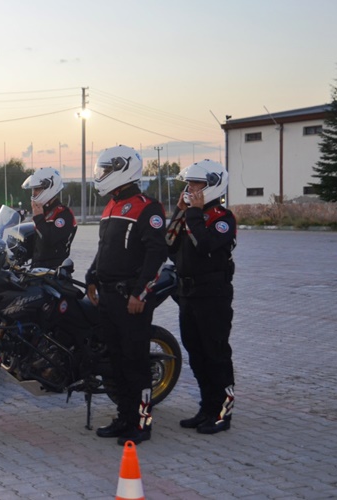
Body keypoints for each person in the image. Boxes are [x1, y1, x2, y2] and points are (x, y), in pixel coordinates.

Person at [85, 145, 168, 445]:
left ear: (124, 169)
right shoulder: (110, 205)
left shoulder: (148, 207)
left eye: (107, 169)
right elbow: (104, 249)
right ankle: (124, 417)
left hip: (131, 300)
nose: (102, 175)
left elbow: (157, 254)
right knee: (116, 363)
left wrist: (140, 293)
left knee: (135, 363)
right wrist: (91, 276)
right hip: (107, 298)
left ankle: (141, 424)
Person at [166, 159, 236, 435]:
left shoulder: (222, 218)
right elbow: (169, 243)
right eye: (189, 183)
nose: (190, 188)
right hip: (188, 294)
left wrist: (193, 214)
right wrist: (180, 212)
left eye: (196, 184)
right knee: (196, 354)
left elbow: (204, 244)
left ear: (212, 186)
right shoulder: (190, 215)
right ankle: (207, 408)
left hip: (213, 296)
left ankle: (222, 413)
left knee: (215, 355)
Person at [20, 167, 77, 269]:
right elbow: (38, 246)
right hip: (36, 271)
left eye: (37, 189)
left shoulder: (63, 214)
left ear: (50, 187)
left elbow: (50, 240)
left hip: (53, 274)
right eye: (33, 189)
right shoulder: (44, 213)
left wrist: (39, 218)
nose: (34, 193)